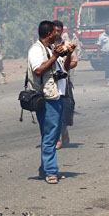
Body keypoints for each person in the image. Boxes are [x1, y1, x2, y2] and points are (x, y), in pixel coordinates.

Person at [28, 21, 74, 184]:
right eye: (56, 32)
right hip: (48, 98)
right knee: (51, 136)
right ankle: (51, 171)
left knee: (52, 135)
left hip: (58, 96)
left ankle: (44, 169)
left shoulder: (50, 49)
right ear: (49, 34)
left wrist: (67, 54)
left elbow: (65, 70)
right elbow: (38, 70)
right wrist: (54, 56)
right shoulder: (36, 50)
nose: (59, 34)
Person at [53, 20, 78, 149]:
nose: (57, 33)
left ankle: (64, 130)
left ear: (62, 31)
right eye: (55, 30)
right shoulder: (46, 46)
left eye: (59, 31)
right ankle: (56, 138)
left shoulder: (68, 45)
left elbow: (74, 61)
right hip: (51, 83)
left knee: (68, 107)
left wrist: (64, 67)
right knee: (54, 110)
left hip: (65, 82)